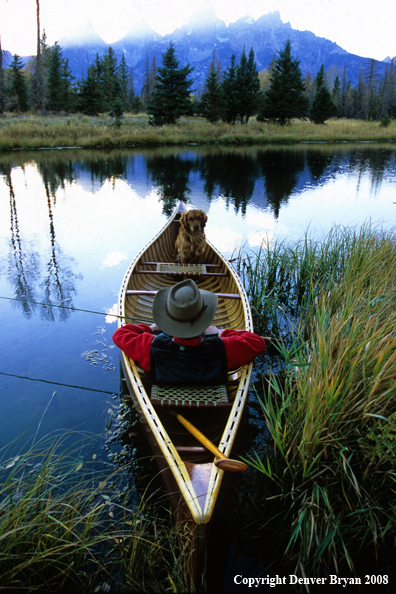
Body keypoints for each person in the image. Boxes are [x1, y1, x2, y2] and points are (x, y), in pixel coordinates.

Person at [112, 279, 266, 385]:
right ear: (203, 321)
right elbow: (257, 342)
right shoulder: (224, 348)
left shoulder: (149, 347)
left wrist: (150, 328)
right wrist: (220, 333)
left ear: (169, 320)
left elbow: (120, 335)